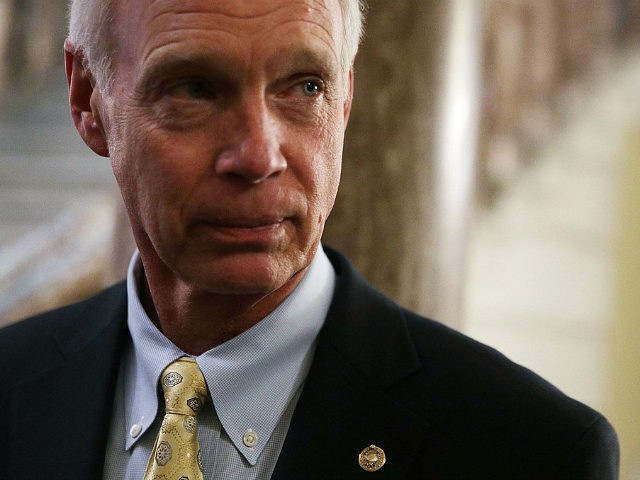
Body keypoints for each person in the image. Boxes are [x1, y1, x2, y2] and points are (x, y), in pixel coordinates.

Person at [0, 0, 619, 478]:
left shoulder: (532, 454)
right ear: (87, 100)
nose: (258, 155)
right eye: (195, 89)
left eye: (305, 87)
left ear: (347, 97)